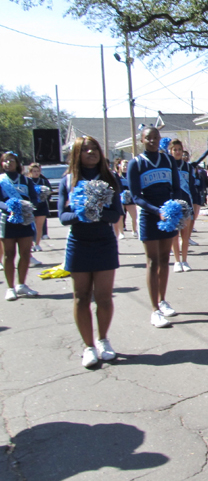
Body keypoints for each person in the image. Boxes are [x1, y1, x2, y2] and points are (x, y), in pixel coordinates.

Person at [58, 136, 123, 367]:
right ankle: (88, 346)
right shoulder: (68, 181)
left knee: (104, 298)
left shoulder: (110, 179)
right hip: (78, 243)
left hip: (104, 242)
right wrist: (82, 213)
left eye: (94, 148)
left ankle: (103, 340)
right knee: (81, 297)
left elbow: (116, 214)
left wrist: (96, 211)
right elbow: (63, 217)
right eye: (85, 149)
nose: (91, 152)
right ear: (77, 153)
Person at [128, 126, 181, 327]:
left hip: (167, 214)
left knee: (165, 258)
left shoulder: (168, 160)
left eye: (155, 137)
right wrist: (156, 210)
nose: (152, 140)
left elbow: (176, 187)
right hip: (149, 216)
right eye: (148, 138)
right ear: (142, 140)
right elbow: (135, 197)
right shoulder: (136, 163)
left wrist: (173, 207)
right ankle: (154, 310)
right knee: (152, 261)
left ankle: (162, 299)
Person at [0, 151, 39, 300]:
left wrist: (27, 206)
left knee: (25, 253)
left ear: (17, 163)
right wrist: (10, 207)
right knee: (9, 254)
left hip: (25, 220)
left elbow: (34, 198)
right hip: (8, 220)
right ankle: (10, 288)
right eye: (5, 161)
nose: (8, 163)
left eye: (11, 160)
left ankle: (21, 285)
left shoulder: (26, 180)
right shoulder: (0, 180)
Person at [167, 140, 196, 272]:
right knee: (174, 234)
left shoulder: (188, 167)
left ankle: (185, 260)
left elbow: (191, 187)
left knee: (185, 234)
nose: (178, 152)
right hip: (173, 203)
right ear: (170, 151)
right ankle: (177, 261)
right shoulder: (167, 166)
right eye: (175, 150)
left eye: (179, 149)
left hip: (186, 202)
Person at [26, 163, 51, 255]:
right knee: (31, 226)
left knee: (39, 226)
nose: (36, 173)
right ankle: (31, 244)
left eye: (38, 171)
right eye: (34, 171)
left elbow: (49, 191)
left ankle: (37, 244)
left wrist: (44, 194)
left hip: (42, 206)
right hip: (31, 206)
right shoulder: (27, 181)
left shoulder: (43, 181)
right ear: (30, 172)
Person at [116, 160, 139, 238]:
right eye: (123, 166)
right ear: (120, 166)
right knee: (121, 216)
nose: (125, 167)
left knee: (134, 216)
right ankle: (121, 233)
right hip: (121, 198)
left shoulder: (131, 175)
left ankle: (134, 231)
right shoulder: (117, 176)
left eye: (126, 166)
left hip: (130, 198)